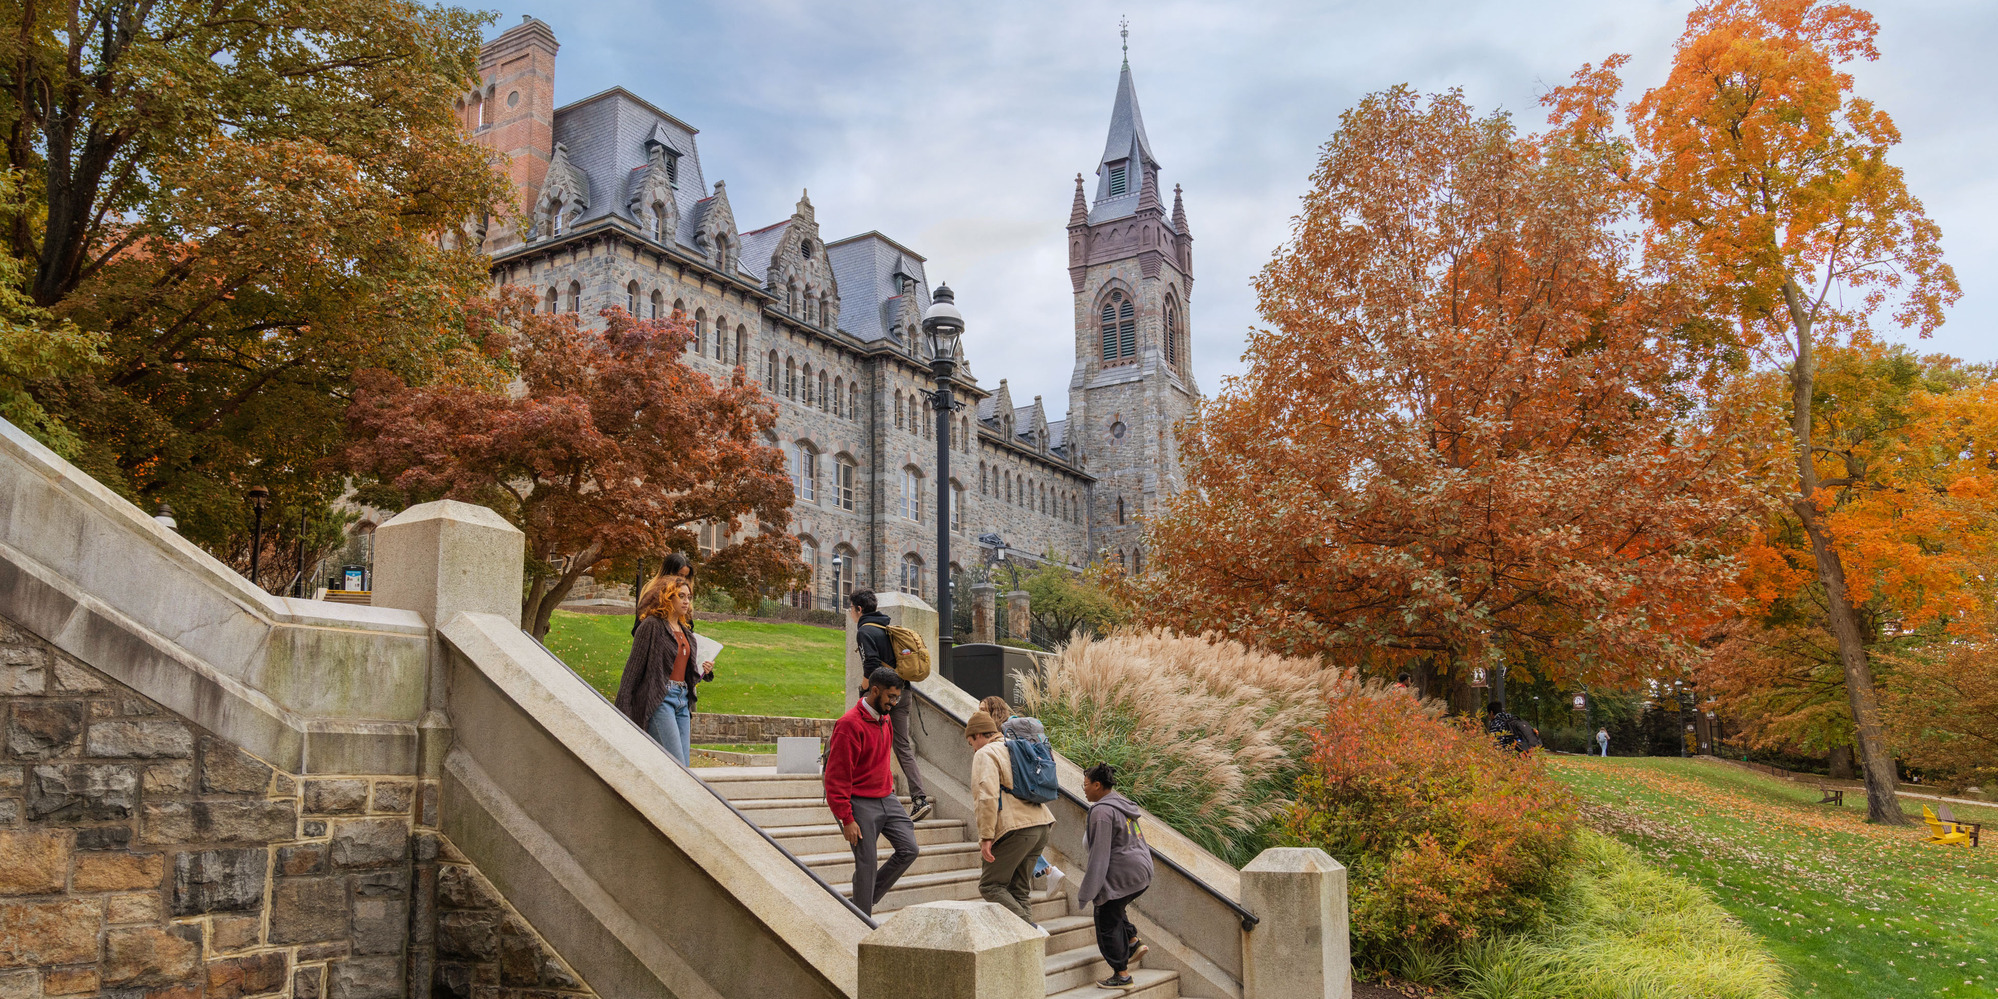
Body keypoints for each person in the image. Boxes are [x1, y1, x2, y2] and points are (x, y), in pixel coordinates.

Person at [824, 667, 922, 917]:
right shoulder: (848, 725)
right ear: (874, 691)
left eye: (897, 697)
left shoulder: (884, 718)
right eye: (891, 697)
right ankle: (861, 920)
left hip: (885, 797)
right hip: (858, 802)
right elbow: (836, 778)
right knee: (867, 864)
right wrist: (847, 818)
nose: (894, 702)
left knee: (909, 848)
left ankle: (859, 903)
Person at [968, 709, 1055, 927]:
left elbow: (986, 796)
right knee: (1019, 889)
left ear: (978, 735)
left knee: (990, 886)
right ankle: (1028, 951)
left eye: (971, 742)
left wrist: (986, 836)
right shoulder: (1014, 746)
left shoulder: (986, 753)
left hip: (1016, 828)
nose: (972, 747)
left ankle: (1032, 930)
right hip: (1041, 824)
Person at [851, 590, 933, 821]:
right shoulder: (887, 628)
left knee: (873, 741)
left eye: (851, 609)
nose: (851, 613)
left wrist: (864, 690)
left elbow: (872, 665)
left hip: (880, 695)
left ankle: (877, 793)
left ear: (858, 609)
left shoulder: (865, 631)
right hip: (903, 692)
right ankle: (919, 799)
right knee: (902, 745)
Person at [613, 575, 709, 765]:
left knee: (685, 767)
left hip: (683, 700)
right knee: (677, 764)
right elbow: (632, 671)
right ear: (667, 597)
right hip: (661, 698)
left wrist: (704, 670)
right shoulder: (651, 625)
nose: (686, 601)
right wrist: (621, 712)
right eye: (681, 596)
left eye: (688, 597)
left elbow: (689, 674)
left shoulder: (687, 632)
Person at [1078, 763, 1152, 990]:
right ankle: (1131, 941)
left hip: (1122, 872)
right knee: (1114, 905)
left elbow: (1099, 854)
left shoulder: (1101, 811)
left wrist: (1089, 890)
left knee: (1105, 918)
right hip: (1141, 872)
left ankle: (1122, 975)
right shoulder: (1122, 804)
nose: (1084, 789)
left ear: (1098, 785)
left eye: (1086, 785)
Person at [632, 553, 715, 678]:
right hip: (656, 673)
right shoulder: (651, 598)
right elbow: (638, 632)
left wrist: (704, 668)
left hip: (680, 678)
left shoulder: (684, 605)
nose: (682, 580)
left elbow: (688, 637)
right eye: (679, 575)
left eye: (685, 577)